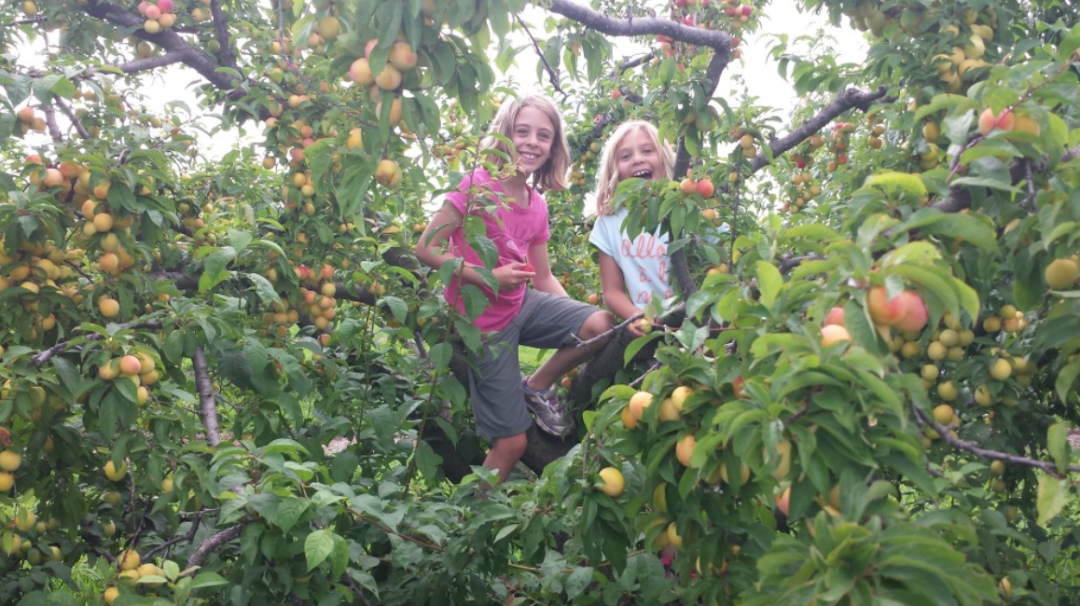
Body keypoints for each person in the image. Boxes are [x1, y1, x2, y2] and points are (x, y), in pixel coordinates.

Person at [415, 95, 614, 484]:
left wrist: (577, 317)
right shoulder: (476, 186)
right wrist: (488, 276)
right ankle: (466, 525)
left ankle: (535, 386)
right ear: (504, 135)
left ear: (553, 148)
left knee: (603, 324)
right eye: (522, 131)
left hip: (522, 304)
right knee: (512, 444)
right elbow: (426, 248)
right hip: (484, 323)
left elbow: (542, 277)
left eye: (544, 135)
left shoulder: (536, 203)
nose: (531, 142)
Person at [588, 121, 677, 337]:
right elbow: (612, 291)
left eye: (647, 150)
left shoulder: (685, 209)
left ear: (665, 157)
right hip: (647, 326)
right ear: (614, 170)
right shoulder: (608, 224)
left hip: (698, 320)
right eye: (625, 156)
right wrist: (637, 316)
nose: (637, 159)